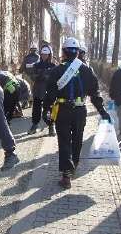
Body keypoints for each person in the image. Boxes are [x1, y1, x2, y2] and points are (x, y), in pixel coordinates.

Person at [42, 37, 111, 189]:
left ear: (63, 53)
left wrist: (46, 110)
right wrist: (102, 111)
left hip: (62, 110)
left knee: (64, 140)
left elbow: (50, 93)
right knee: (77, 138)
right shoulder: (87, 70)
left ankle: (66, 175)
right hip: (80, 110)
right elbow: (95, 94)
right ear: (78, 53)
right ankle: (75, 165)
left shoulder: (57, 70)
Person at [28, 45, 56, 136]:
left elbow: (55, 77)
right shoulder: (36, 65)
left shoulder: (53, 66)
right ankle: (34, 125)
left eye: (46, 54)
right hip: (38, 91)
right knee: (36, 109)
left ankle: (51, 126)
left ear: (49, 55)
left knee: (50, 109)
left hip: (49, 91)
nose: (44, 56)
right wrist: (37, 77)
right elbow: (32, 75)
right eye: (43, 54)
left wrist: (45, 77)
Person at [19, 43, 40, 107]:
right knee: (34, 89)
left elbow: (23, 66)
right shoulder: (38, 57)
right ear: (36, 49)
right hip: (35, 76)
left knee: (27, 89)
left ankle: (26, 102)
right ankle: (31, 102)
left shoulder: (27, 57)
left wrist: (20, 71)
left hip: (27, 75)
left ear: (30, 49)